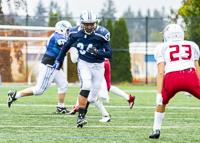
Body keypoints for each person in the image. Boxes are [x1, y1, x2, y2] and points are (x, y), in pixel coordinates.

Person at [51, 10, 113, 128]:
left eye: (91, 24)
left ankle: (91, 113)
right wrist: (59, 60)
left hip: (98, 65)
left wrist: (98, 52)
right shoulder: (75, 32)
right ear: (81, 23)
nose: (89, 27)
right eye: (86, 24)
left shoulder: (101, 33)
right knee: (86, 86)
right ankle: (81, 117)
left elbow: (109, 54)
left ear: (95, 23)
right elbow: (66, 46)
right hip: (84, 63)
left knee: (93, 95)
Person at [7, 20, 72, 114]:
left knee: (63, 84)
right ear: (62, 29)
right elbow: (66, 49)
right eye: (67, 30)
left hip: (55, 66)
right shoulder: (59, 37)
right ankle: (15, 95)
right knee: (39, 90)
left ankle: (60, 107)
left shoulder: (57, 35)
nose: (68, 33)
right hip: (50, 66)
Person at [149, 24, 200, 139]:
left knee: (162, 103)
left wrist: (159, 94)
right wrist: (196, 84)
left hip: (172, 78)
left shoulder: (161, 47)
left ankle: (156, 130)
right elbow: (197, 67)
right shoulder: (192, 45)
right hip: (190, 75)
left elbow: (161, 72)